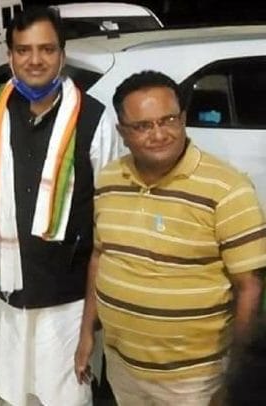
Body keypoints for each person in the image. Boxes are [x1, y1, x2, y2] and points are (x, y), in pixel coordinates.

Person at [0, 6, 120, 406]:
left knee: (69, 397)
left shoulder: (94, 119)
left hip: (69, 302)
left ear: (62, 53)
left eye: (46, 49)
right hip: (6, 295)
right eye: (24, 50)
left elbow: (109, 215)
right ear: (9, 55)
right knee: (11, 395)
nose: (35, 60)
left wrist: (94, 319)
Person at [75, 70, 266, 405]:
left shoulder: (227, 189)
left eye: (169, 120)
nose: (159, 134)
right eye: (143, 126)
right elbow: (101, 256)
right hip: (123, 366)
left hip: (194, 380)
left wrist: (234, 379)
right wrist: (86, 333)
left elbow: (250, 287)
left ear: (184, 118)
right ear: (122, 133)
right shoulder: (109, 180)